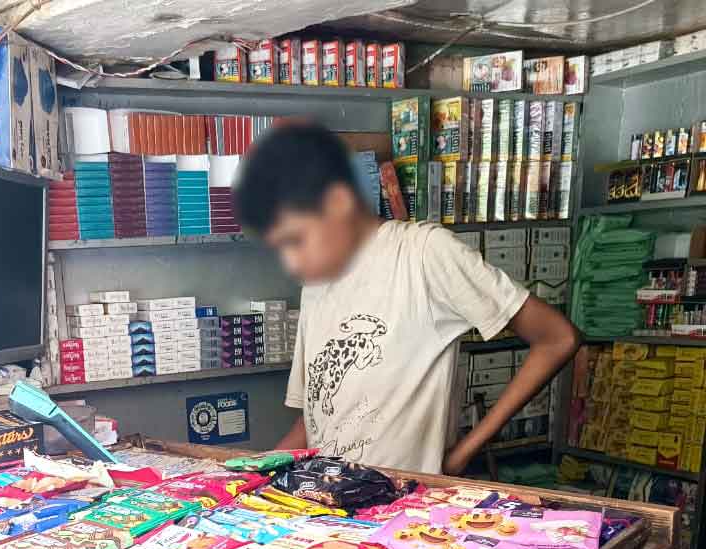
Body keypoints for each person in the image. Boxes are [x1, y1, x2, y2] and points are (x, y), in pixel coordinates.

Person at [233, 123, 579, 475]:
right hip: (329, 504)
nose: (292, 263)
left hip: (403, 509)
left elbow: (557, 339)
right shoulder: (316, 284)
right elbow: (314, 422)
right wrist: (251, 475)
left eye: (297, 239)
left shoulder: (423, 254)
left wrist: (462, 454)